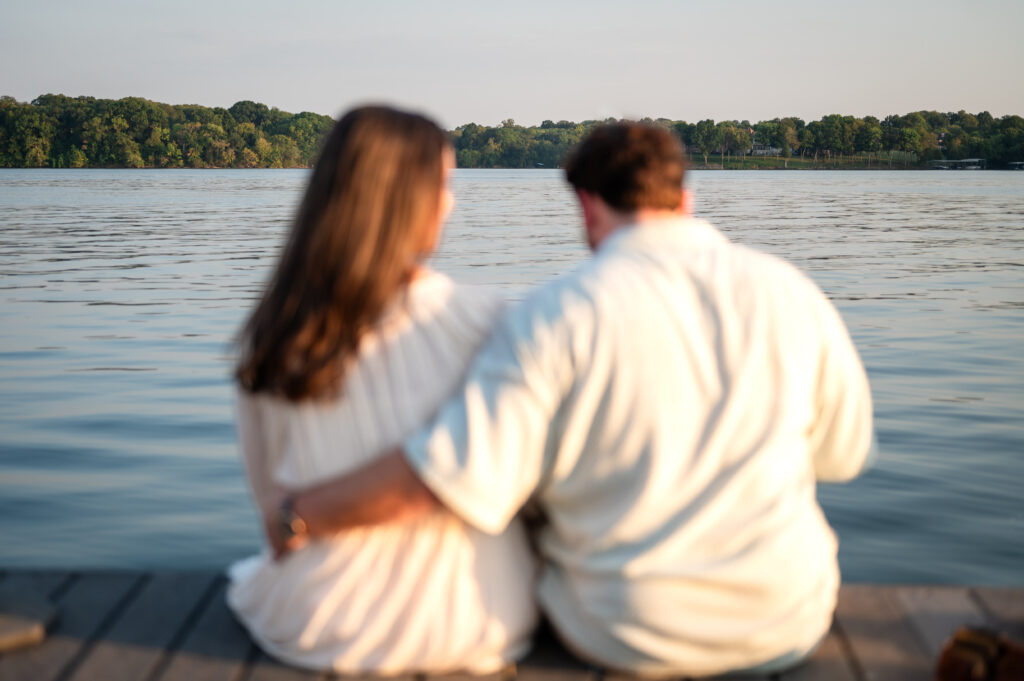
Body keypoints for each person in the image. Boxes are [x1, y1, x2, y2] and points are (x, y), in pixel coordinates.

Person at [271, 122, 876, 677]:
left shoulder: (555, 316)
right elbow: (843, 458)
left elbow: (452, 476)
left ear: (587, 205)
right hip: (788, 622)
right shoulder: (794, 294)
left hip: (625, 633)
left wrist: (299, 516)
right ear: (684, 198)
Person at [228, 105, 537, 674]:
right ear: (407, 201)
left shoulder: (275, 335)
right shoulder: (485, 321)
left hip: (320, 621)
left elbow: (269, 499)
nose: (451, 203)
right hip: (475, 620)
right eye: (443, 185)